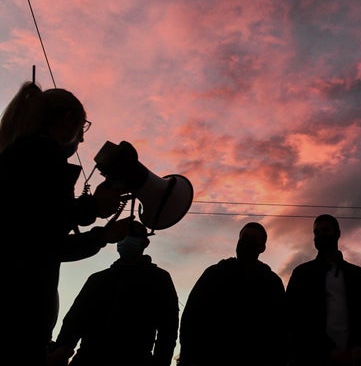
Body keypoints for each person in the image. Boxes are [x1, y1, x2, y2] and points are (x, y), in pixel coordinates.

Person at [0, 81, 133, 366]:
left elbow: (41, 235)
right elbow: (47, 238)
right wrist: (94, 209)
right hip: (19, 317)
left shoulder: (19, 154)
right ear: (68, 120)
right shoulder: (43, 157)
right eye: (82, 127)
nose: (82, 141)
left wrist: (101, 229)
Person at [49, 220, 179, 366]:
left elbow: (168, 328)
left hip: (135, 360)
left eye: (132, 235)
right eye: (122, 235)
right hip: (88, 359)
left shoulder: (158, 279)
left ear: (145, 242)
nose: (125, 239)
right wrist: (62, 349)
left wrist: (161, 362)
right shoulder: (98, 279)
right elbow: (74, 319)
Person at [178, 221, 286, 366]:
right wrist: (187, 357)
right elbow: (191, 318)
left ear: (262, 247)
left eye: (253, 239)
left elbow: (280, 327)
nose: (246, 241)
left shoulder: (272, 282)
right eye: (243, 237)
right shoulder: (214, 274)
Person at [286, 214, 361, 366]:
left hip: (355, 359)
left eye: (325, 230)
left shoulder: (359, 275)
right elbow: (294, 318)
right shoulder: (302, 274)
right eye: (316, 232)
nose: (320, 235)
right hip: (313, 359)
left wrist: (360, 346)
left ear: (338, 234)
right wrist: (325, 350)